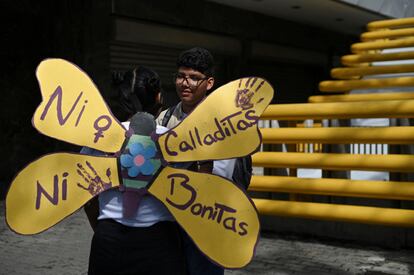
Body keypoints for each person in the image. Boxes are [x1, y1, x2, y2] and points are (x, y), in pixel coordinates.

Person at [83, 67, 186, 275]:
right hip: (159, 243)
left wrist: (104, 227)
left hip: (108, 241)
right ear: (158, 96)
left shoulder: (100, 136)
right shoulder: (175, 140)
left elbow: (86, 197)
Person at [156, 47, 235, 275]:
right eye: (181, 76)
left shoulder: (222, 123)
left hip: (207, 222)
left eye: (194, 78)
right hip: (169, 220)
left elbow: (221, 176)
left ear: (209, 83)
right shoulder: (165, 117)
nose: (185, 83)